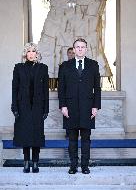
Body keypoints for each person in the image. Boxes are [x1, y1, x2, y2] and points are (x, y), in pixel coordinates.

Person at [58, 38, 101, 174]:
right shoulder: (65, 65)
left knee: (86, 138)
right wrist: (63, 106)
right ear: (74, 49)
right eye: (78, 47)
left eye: (83, 47)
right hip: (70, 107)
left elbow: (97, 88)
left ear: (86, 49)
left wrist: (96, 106)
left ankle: (85, 166)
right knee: (72, 139)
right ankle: (73, 165)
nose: (80, 49)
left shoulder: (93, 65)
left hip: (88, 107)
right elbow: (61, 88)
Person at [11, 42, 49, 173]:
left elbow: (45, 90)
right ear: (25, 54)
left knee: (37, 135)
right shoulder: (18, 67)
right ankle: (26, 162)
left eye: (33, 51)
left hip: (38, 107)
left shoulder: (43, 68)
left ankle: (36, 162)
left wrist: (46, 109)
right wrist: (14, 107)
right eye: (29, 51)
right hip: (23, 107)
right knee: (25, 135)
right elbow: (14, 88)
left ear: (37, 54)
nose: (31, 54)